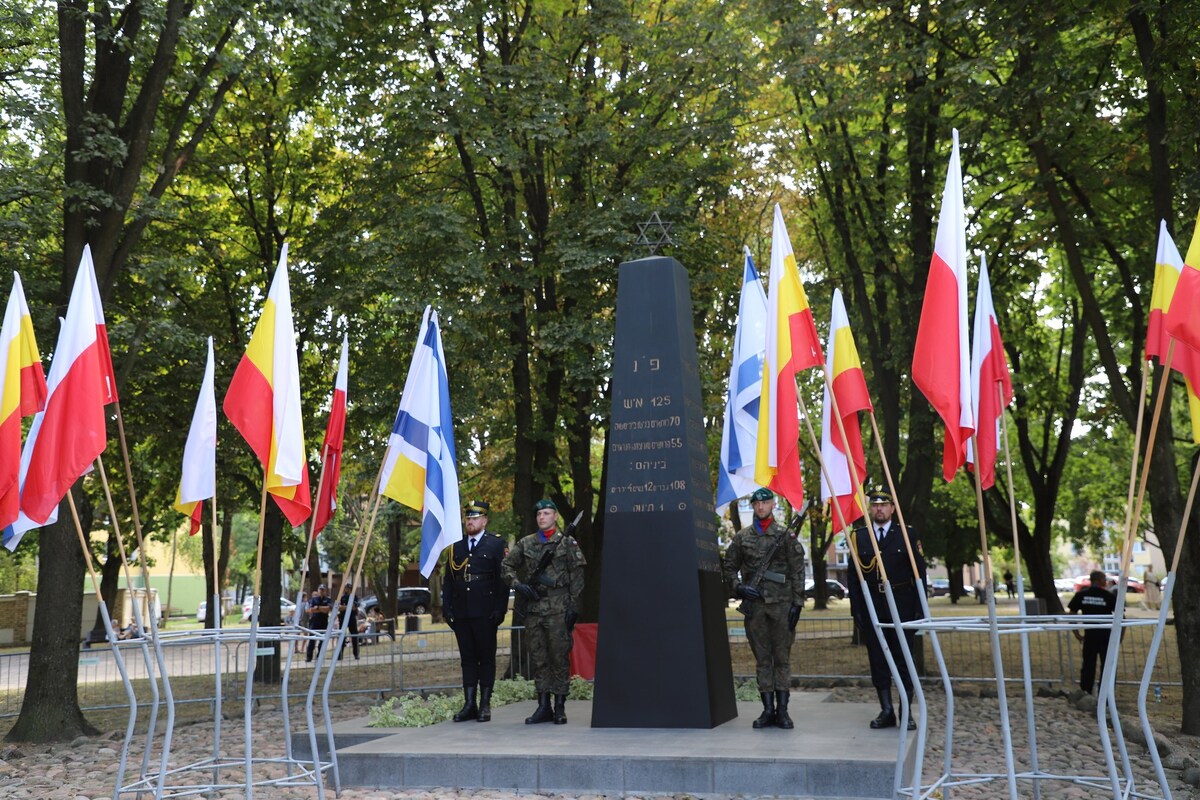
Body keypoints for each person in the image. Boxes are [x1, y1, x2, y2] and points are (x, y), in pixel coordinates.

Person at [721, 487, 806, 729]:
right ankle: (768, 709)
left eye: (765, 503)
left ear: (773, 505)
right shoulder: (742, 537)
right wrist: (739, 587)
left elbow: (797, 571)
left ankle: (783, 711)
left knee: (782, 658)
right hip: (755, 608)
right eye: (757, 504)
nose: (761, 507)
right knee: (762, 659)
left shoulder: (785, 536)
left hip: (782, 607)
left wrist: (797, 604)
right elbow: (728, 567)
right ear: (753, 506)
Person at [501, 498, 586, 725]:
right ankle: (543, 705)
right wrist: (518, 585)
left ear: (555, 516)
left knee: (559, 657)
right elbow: (506, 566)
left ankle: (560, 706)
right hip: (534, 609)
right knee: (538, 658)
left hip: (559, 609)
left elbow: (577, 576)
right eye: (539, 514)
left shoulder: (567, 543)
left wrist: (573, 606)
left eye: (547, 513)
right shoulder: (526, 543)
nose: (542, 517)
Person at [848, 489, 926, 731]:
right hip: (873, 605)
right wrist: (856, 609)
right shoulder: (860, 537)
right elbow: (853, 577)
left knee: (904, 659)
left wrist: (920, 608)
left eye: (884, 505)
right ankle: (886, 710)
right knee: (878, 658)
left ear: (892, 508)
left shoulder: (907, 534)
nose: (879, 509)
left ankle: (906, 711)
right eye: (875, 505)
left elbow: (919, 573)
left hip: (902, 604)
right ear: (870, 509)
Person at [443, 499, 510, 722]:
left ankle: (485, 704)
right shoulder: (456, 546)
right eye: (468, 518)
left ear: (485, 520)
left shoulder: (496, 544)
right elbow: (449, 580)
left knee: (486, 657)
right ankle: (469, 704)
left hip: (485, 610)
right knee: (468, 658)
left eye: (475, 517)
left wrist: (500, 608)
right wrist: (447, 608)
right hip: (462, 611)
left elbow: (503, 580)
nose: (470, 521)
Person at [1068, 570, 1117, 694]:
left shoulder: (1081, 595)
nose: (1106, 581)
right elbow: (1121, 616)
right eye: (1104, 579)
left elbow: (1072, 615)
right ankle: (1105, 693)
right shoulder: (1108, 596)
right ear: (1099, 580)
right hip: (1106, 636)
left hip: (1090, 636)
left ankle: (1086, 691)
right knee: (1107, 665)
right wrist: (1119, 638)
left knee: (1088, 665)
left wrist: (1077, 634)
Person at [305, 584, 333, 662]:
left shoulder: (328, 600)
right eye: (320, 589)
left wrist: (318, 607)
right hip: (314, 622)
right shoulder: (314, 599)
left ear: (325, 591)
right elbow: (311, 610)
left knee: (323, 641)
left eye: (323, 590)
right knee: (312, 640)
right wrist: (322, 609)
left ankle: (319, 656)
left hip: (323, 622)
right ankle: (309, 657)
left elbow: (328, 609)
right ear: (318, 590)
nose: (321, 591)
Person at [337, 584, 361, 660]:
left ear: (350, 589)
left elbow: (354, 607)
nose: (345, 589)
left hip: (351, 618)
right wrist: (348, 607)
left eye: (347, 588)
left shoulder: (354, 597)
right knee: (341, 636)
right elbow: (339, 608)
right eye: (345, 588)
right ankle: (339, 655)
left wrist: (345, 607)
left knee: (354, 636)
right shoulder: (342, 597)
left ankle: (356, 654)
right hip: (343, 618)